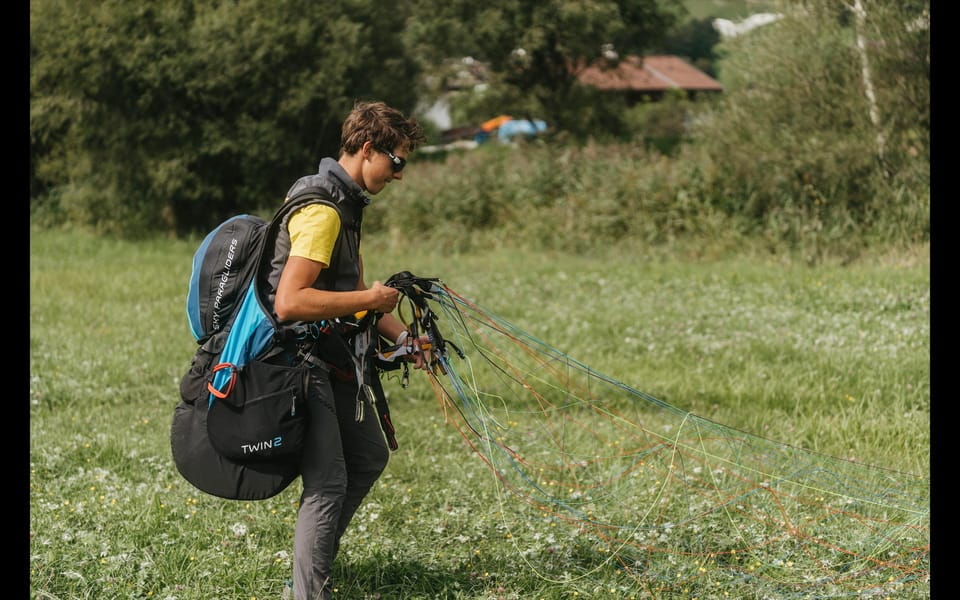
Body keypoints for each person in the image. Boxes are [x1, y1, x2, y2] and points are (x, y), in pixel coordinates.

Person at [264, 100, 426, 600]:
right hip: (294, 361)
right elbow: (291, 302)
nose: (399, 175)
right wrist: (371, 297)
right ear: (367, 148)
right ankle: (308, 593)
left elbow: (350, 291)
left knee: (368, 455)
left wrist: (404, 338)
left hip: (326, 356)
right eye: (396, 161)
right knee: (329, 482)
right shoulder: (322, 210)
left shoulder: (346, 204)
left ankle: (310, 573)